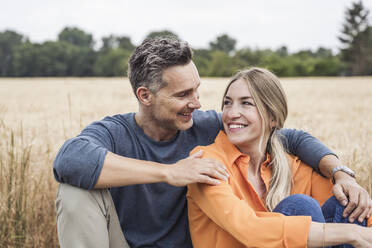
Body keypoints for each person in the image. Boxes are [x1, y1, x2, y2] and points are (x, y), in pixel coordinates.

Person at [53, 37, 371, 248]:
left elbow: (287, 136)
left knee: (315, 206)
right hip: (127, 241)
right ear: (145, 96)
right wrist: (169, 172)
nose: (196, 102)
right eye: (182, 95)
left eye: (197, 90)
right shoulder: (115, 132)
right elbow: (69, 160)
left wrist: (340, 172)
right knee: (74, 191)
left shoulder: (205, 123)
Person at [187, 67, 372, 247]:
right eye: (227, 103)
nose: (231, 114)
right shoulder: (206, 161)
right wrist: (351, 233)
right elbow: (250, 230)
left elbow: (356, 211)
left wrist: (346, 180)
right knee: (299, 206)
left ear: (272, 118)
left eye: (246, 103)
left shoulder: (287, 164)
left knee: (345, 202)